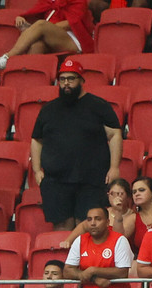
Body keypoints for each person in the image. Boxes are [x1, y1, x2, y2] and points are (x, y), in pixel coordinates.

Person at [30, 57, 124, 232]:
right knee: (61, 226)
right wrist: (36, 170)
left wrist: (114, 167)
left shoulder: (98, 106)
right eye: (63, 79)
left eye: (71, 79)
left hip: (91, 179)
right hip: (56, 181)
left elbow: (114, 135)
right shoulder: (48, 110)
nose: (66, 83)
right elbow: (36, 140)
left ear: (81, 80)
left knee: (90, 225)